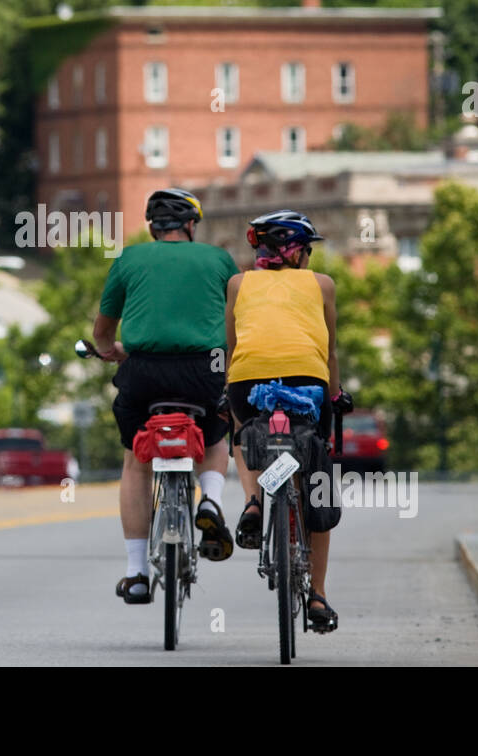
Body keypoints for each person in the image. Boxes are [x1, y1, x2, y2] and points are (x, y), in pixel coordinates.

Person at [92, 187, 241, 604]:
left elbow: (103, 329)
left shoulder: (130, 259)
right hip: (206, 369)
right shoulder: (218, 259)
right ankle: (209, 501)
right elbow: (236, 320)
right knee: (215, 436)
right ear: (191, 225)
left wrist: (109, 349)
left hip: (143, 372)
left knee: (137, 459)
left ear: (151, 226)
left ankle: (137, 571)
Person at [224, 209, 343, 632]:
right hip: (307, 382)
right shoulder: (322, 285)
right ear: (295, 252)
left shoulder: (237, 284)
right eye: (307, 251)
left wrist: (232, 389)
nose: (309, 259)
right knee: (317, 474)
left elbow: (234, 344)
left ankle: (254, 501)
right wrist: (336, 395)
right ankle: (318, 596)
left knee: (238, 430)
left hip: (248, 381)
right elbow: (328, 352)